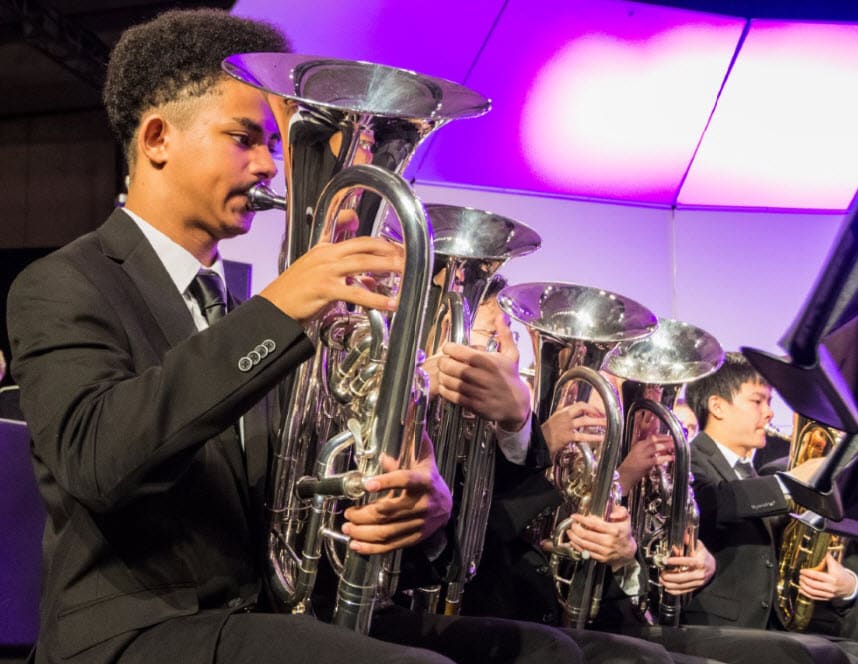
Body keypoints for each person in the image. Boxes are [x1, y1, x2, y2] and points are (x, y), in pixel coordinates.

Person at [6, 10, 582, 664]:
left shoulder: (242, 312)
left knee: (547, 654)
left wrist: (415, 514)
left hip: (272, 619)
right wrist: (279, 313)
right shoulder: (63, 282)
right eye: (244, 138)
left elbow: (302, 496)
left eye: (274, 146)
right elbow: (95, 459)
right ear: (158, 138)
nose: (268, 168)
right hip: (133, 633)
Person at [432, 282, 718, 664]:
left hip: (568, 618)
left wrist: (623, 555)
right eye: (490, 333)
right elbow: (476, 545)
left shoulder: (567, 449)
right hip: (493, 615)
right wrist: (539, 445)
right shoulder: (454, 427)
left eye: (510, 334)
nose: (508, 347)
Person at [673, 351, 858, 662]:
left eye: (770, 403)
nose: (770, 413)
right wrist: (791, 483)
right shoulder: (690, 460)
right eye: (758, 402)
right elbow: (713, 502)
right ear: (717, 406)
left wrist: (848, 584)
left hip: (770, 631)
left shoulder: (757, 473)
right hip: (713, 630)